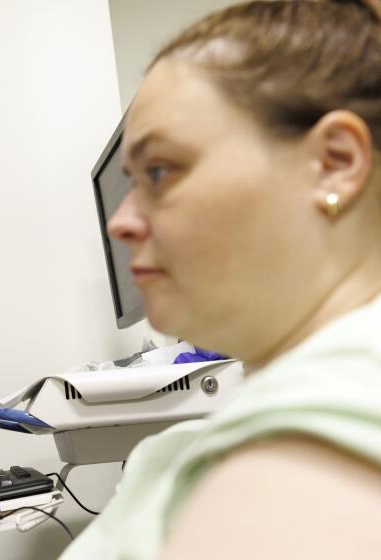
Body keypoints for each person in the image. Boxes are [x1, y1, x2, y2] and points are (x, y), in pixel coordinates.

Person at [59, 1, 381, 559]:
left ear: (333, 162)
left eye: (160, 170)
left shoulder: (319, 442)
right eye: (132, 180)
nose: (121, 222)